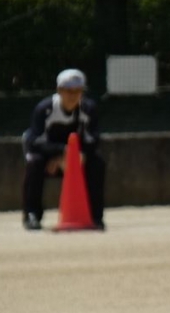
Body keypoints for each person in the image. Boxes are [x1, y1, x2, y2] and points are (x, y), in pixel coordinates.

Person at [21, 68, 106, 231]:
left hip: (78, 156)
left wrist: (79, 155)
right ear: (59, 90)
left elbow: (93, 139)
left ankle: (96, 217)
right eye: (68, 90)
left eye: (78, 91)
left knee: (97, 163)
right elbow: (34, 142)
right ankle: (32, 215)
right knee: (34, 163)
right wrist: (61, 154)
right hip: (48, 157)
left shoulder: (88, 109)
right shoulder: (44, 109)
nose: (73, 95)